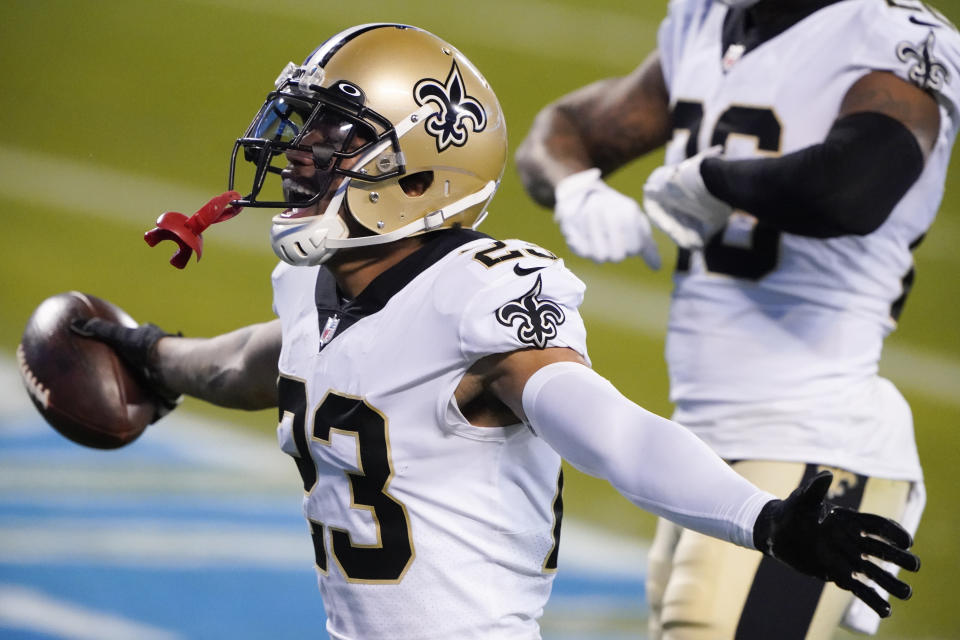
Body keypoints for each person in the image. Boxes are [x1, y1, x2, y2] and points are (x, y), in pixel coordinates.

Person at [71, 23, 919, 640]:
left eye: (334, 137)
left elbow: (610, 430)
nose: (296, 155)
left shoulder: (476, 299)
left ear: (415, 166)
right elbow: (272, 363)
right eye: (301, 127)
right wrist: (154, 356)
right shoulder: (316, 287)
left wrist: (764, 520)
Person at [515, 0, 959, 638]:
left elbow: (854, 186)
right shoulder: (710, 19)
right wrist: (573, 186)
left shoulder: (891, 35)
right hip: (705, 448)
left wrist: (713, 178)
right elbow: (562, 132)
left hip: (812, 442)